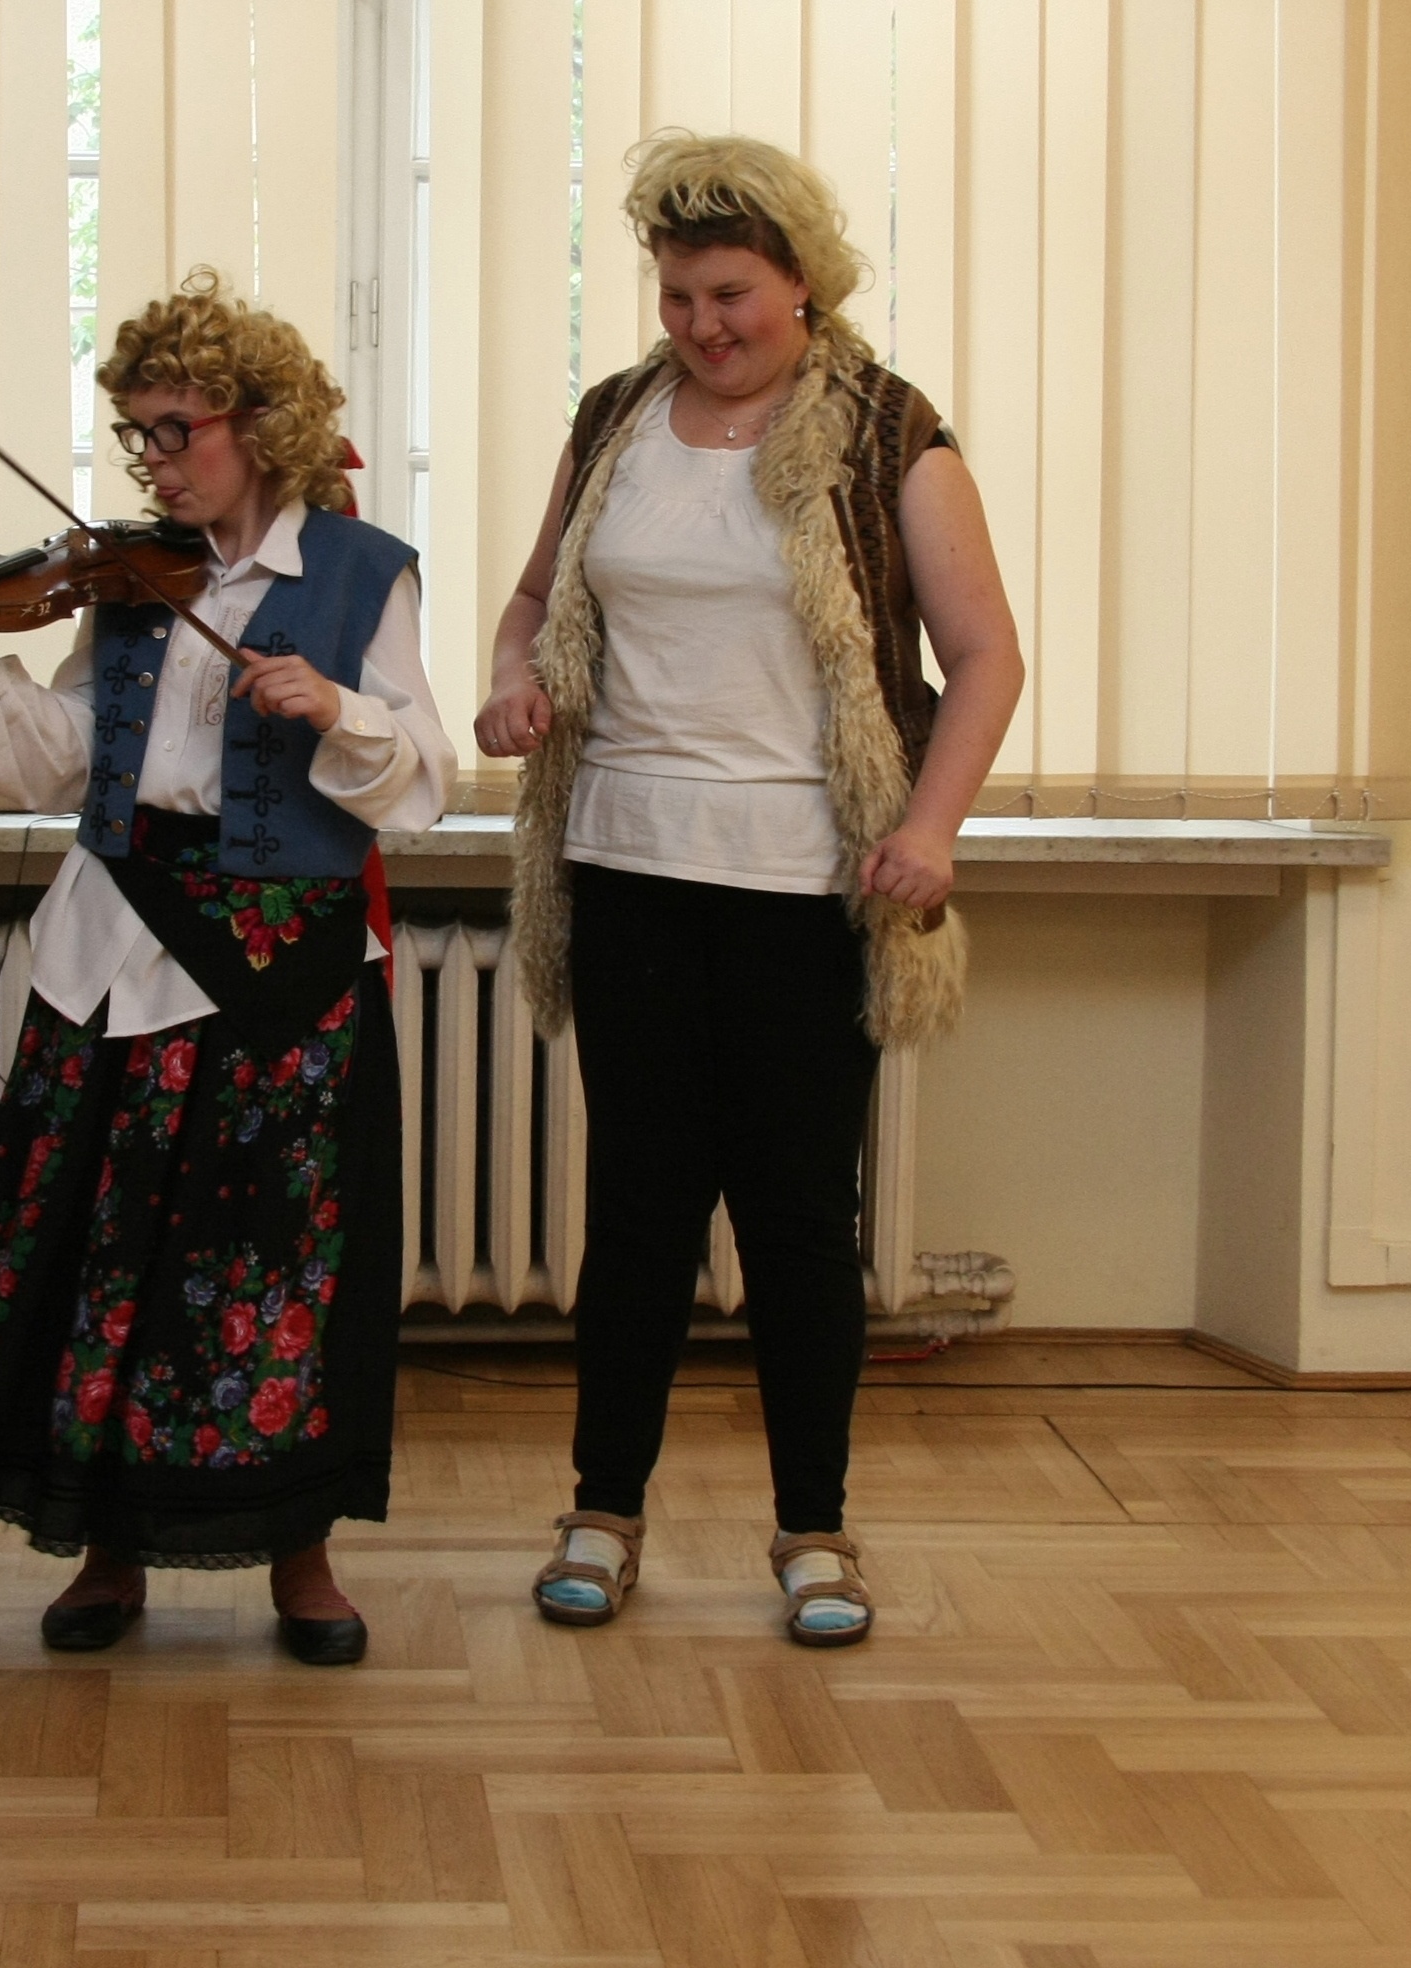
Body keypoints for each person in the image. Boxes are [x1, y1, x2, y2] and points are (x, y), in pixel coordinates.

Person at [475, 134, 1022, 1646]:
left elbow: (985, 656)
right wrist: (514, 680)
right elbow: (534, 601)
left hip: (805, 883)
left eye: (730, 294)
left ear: (802, 283)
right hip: (628, 868)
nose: (702, 325)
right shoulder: (614, 420)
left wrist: (933, 827)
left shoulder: (891, 433)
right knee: (638, 1215)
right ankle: (602, 1513)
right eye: (677, 296)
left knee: (795, 1222)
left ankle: (816, 1531)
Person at [0, 270, 453, 1666]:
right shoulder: (132, 581)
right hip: (118, 945)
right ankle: (109, 1549)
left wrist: (338, 708)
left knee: (278, 1264)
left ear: (259, 423)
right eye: (137, 431)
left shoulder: (362, 573)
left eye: (174, 428)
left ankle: (300, 1556)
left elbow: (427, 782)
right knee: (101, 1253)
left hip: (281, 969)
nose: (151, 457)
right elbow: (60, 769)